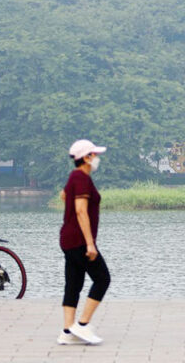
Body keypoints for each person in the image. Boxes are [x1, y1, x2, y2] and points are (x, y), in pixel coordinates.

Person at [57, 139, 111, 345]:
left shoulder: (75, 177)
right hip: (79, 240)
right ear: (86, 158)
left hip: (68, 239)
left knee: (74, 283)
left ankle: (67, 332)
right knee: (102, 278)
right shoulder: (81, 178)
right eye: (95, 155)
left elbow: (64, 196)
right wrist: (90, 243)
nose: (97, 158)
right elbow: (80, 210)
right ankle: (82, 325)